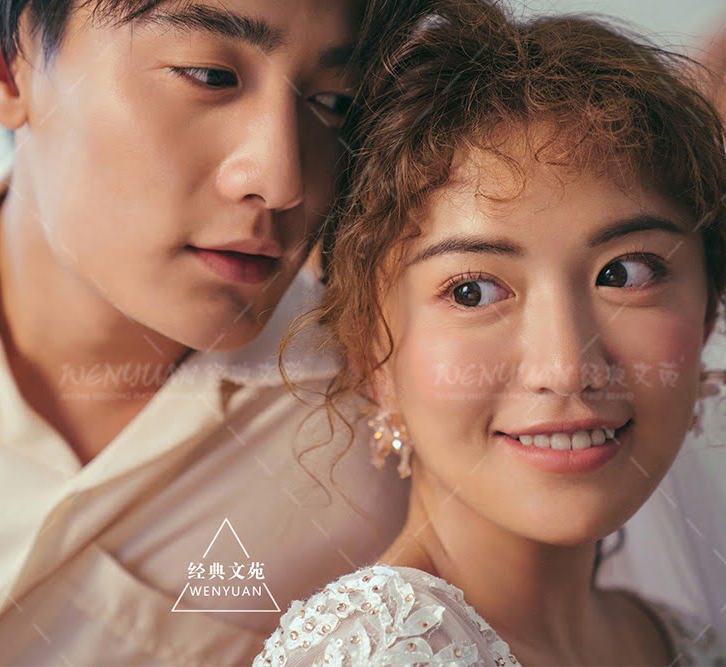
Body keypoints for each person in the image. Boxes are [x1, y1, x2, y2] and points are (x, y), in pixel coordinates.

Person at [0, 1, 433, 664]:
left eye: (333, 103)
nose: (281, 180)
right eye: (209, 76)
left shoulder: (388, 417)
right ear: (5, 66)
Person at [255, 1, 726, 664]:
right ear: (371, 355)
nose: (567, 367)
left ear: (707, 316)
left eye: (625, 273)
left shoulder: (677, 638)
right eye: (472, 291)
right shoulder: (377, 653)